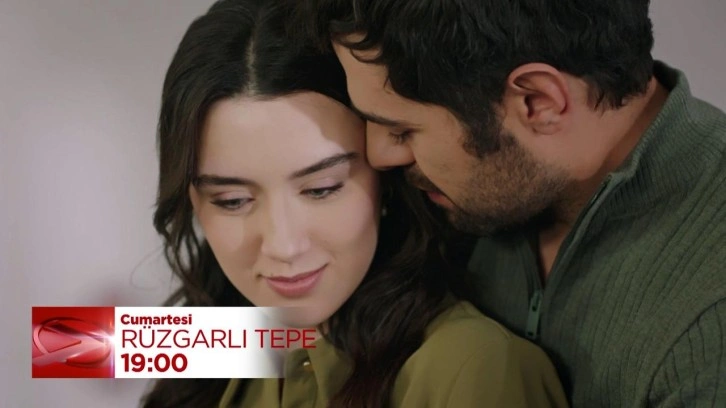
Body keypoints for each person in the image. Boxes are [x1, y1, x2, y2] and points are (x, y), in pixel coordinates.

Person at [141, 1, 568, 407]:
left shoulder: (473, 368)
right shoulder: (198, 340)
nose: (284, 246)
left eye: (321, 189)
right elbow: (105, 347)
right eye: (232, 201)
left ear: (384, 178)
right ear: (192, 199)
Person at [299, 0, 726, 406]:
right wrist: (259, 339)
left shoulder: (705, 335)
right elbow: (293, 344)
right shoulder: (467, 190)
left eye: (403, 130)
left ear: (537, 103)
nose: (378, 156)